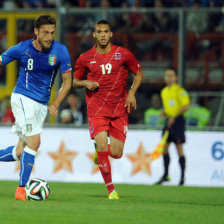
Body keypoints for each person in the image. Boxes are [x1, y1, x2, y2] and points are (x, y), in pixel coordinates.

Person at [0, 14, 72, 200]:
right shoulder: (22, 48)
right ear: (36, 32)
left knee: (19, 152)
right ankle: (21, 190)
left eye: (52, 33)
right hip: (23, 98)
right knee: (35, 142)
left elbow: (67, 81)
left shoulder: (61, 51)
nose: (49, 37)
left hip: (41, 105)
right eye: (45, 32)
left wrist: (55, 103)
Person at [73, 20, 144, 199]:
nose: (103, 35)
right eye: (99, 32)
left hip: (119, 110)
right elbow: (74, 81)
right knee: (103, 144)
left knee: (117, 152)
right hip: (96, 109)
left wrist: (131, 93)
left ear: (111, 34)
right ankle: (111, 190)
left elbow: (139, 73)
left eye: (106, 31)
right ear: (94, 35)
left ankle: (100, 152)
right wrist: (84, 83)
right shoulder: (85, 57)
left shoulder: (123, 54)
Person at [156, 67, 190, 186]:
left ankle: (182, 178)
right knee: (164, 148)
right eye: (167, 75)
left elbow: (186, 106)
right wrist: (165, 113)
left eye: (171, 75)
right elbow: (169, 107)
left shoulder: (180, 91)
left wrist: (174, 117)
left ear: (176, 78)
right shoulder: (164, 91)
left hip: (178, 122)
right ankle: (166, 175)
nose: (168, 78)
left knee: (179, 149)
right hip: (168, 121)